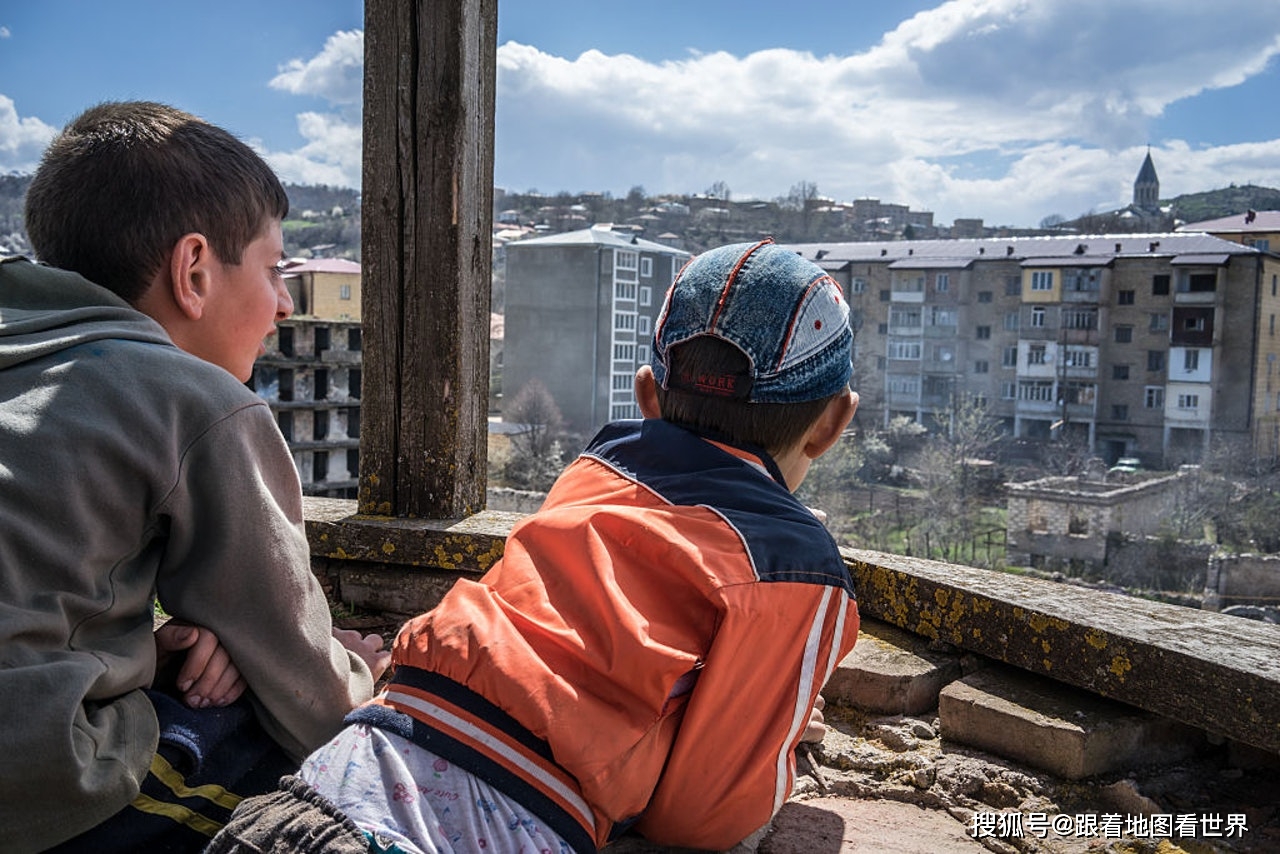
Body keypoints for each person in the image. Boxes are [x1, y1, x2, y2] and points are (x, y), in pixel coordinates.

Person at [209, 238, 861, 853]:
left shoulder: (595, 470)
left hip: (326, 783)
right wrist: (780, 753)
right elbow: (702, 816)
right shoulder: (797, 568)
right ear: (833, 424)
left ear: (647, 396)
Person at [0, 101, 391, 853]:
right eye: (274, 270)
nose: (283, 302)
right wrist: (359, 673)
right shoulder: (196, 400)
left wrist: (155, 645)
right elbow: (312, 699)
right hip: (33, 783)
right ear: (194, 271)